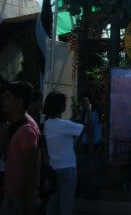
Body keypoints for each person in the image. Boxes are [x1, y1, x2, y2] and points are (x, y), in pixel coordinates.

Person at [42, 91, 87, 215]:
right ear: (60, 106)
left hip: (53, 168)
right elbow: (83, 129)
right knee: (66, 205)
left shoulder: (47, 124)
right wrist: (86, 111)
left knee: (52, 203)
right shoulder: (64, 125)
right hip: (68, 168)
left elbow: (69, 127)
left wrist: (75, 115)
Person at [1, 81, 40, 215]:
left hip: (18, 199)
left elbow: (31, 168)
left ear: (19, 101)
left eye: (7, 96)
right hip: (12, 196)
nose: (3, 100)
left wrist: (29, 202)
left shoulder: (26, 129)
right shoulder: (15, 125)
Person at [73, 91, 102, 200]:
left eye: (81, 102)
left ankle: (91, 192)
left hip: (91, 143)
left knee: (90, 169)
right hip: (87, 143)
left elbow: (91, 130)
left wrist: (90, 147)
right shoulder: (85, 112)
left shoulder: (92, 112)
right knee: (87, 168)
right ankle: (87, 191)